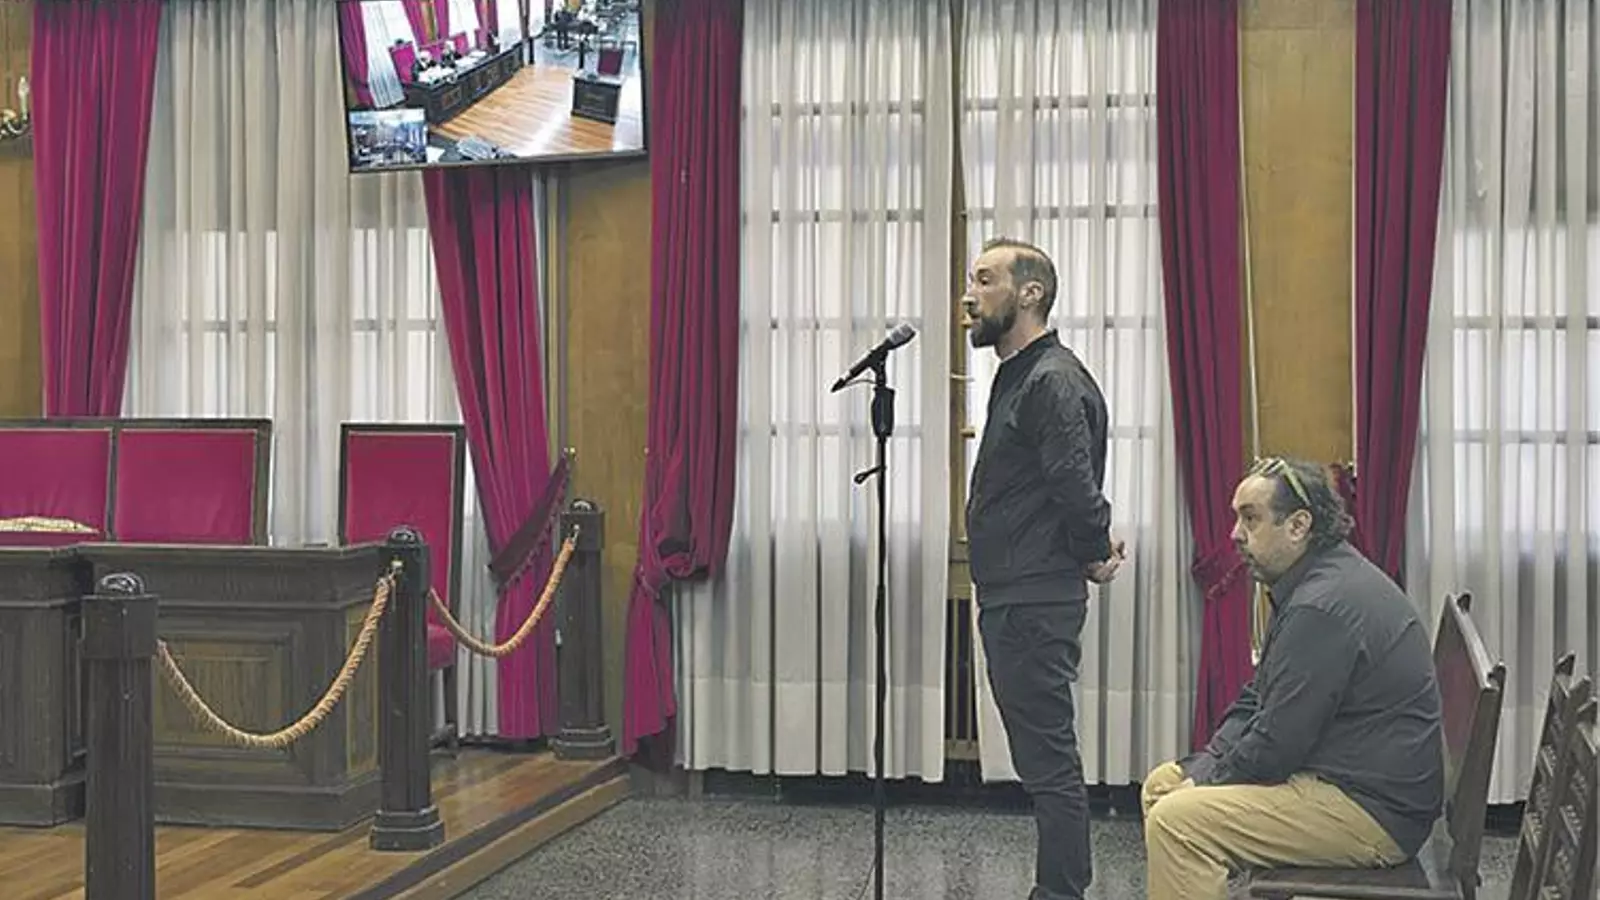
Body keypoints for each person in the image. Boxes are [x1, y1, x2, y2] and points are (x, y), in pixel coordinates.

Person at [1141, 456, 1445, 900]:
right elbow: (1257, 697)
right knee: (1161, 785)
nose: (1235, 534)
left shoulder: (1320, 606)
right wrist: (1206, 766)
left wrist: (1205, 780)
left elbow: (1276, 745)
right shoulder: (1317, 580)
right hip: (1354, 780)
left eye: (1251, 518)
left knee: (1176, 822)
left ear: (1299, 525)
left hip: (1372, 813)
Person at [963, 237, 1127, 900]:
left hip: (1032, 599)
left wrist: (1093, 550)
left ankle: (1060, 893)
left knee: (1049, 764)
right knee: (1043, 761)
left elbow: (1074, 485)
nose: (969, 295)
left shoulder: (1050, 379)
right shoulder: (1021, 372)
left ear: (1030, 293)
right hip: (1016, 593)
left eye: (985, 280)